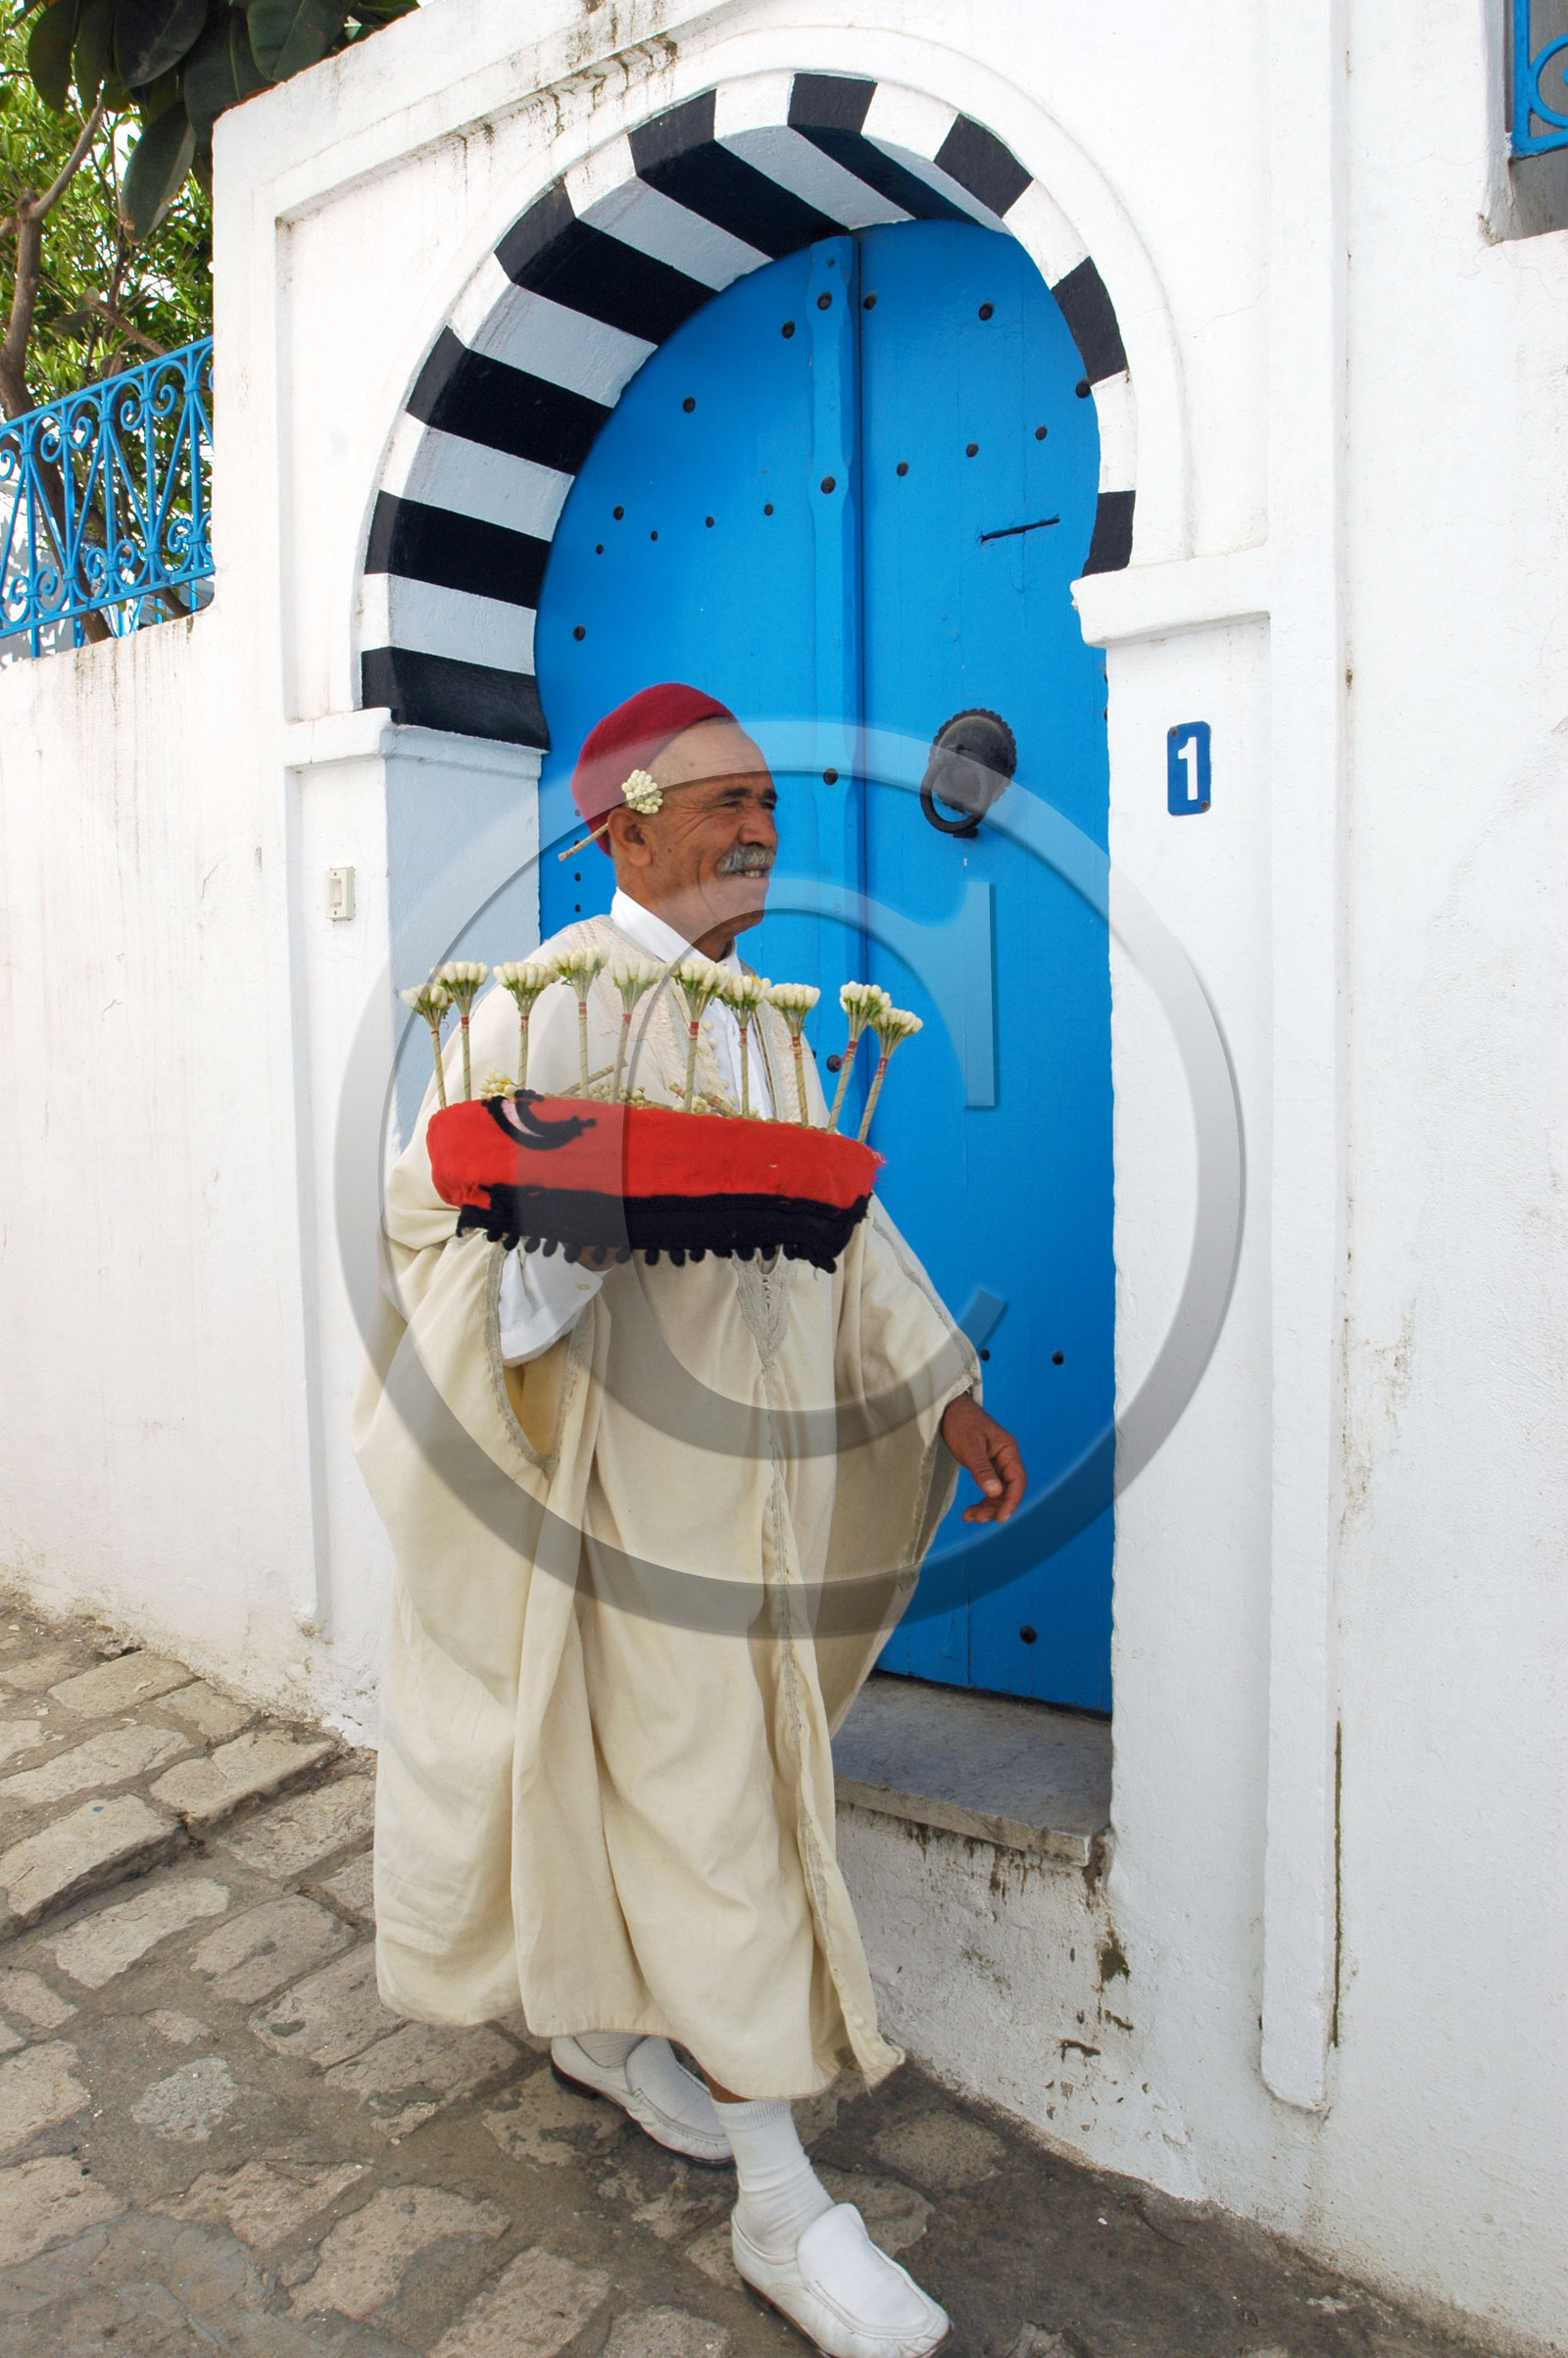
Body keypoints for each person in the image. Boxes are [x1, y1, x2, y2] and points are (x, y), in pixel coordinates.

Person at [355, 683, 1025, 2358]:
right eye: (724, 803)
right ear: (621, 825)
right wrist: (534, 1288)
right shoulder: (531, 1013)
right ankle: (785, 2204)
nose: (760, 831)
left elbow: (846, 1234)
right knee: (712, 1818)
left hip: (767, 1497)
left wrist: (942, 1385)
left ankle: (596, 2028)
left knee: (681, 1796)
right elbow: (424, 1231)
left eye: (771, 807)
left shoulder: (780, 1027)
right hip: (620, 1509)